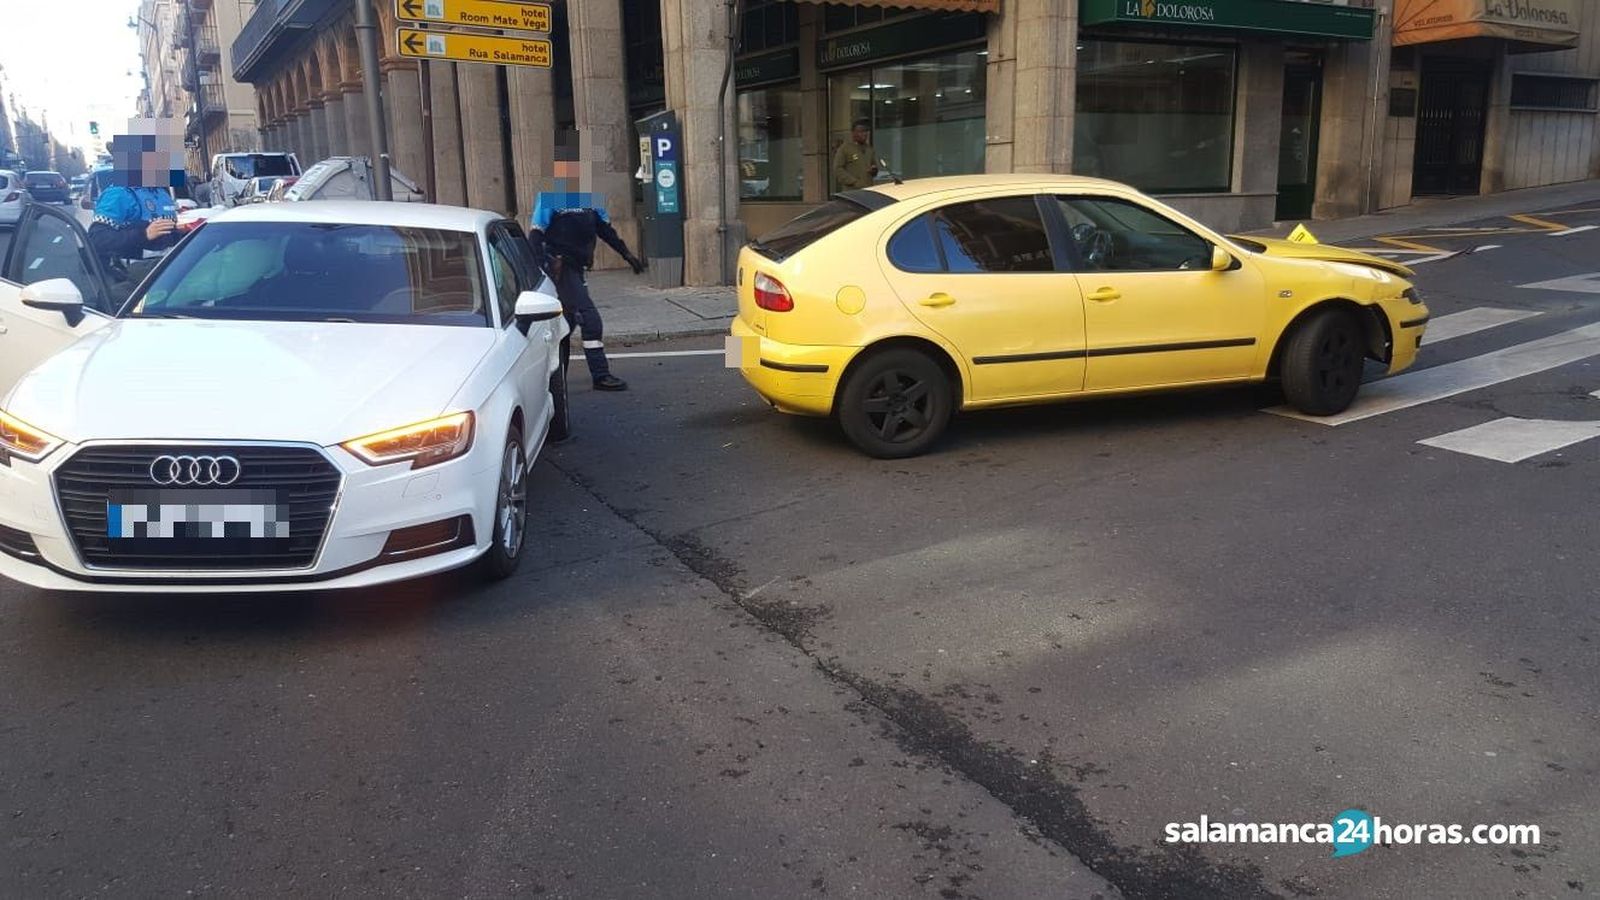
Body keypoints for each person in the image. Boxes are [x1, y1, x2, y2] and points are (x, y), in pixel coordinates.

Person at [527, 142, 647, 393]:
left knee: (567, 323)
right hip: (560, 267)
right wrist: (539, 267)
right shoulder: (551, 194)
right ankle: (600, 375)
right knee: (590, 318)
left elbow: (604, 230)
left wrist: (627, 254)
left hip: (577, 266)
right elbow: (536, 234)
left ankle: (553, 379)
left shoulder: (590, 196)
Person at [86, 125, 185, 275]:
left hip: (169, 269)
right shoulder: (119, 193)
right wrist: (143, 234)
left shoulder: (160, 192)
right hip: (135, 276)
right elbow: (97, 238)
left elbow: (167, 232)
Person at [832, 119, 878, 190]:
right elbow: (838, 169)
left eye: (866, 131)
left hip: (868, 188)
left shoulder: (869, 149)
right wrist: (853, 182)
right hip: (851, 190)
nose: (864, 134)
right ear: (853, 133)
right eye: (861, 131)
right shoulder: (845, 148)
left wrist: (874, 170)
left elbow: (874, 166)